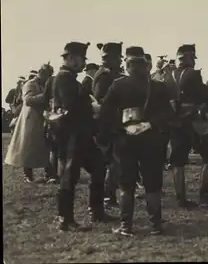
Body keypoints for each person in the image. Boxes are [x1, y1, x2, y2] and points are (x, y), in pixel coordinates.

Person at [97, 46, 177, 236]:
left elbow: (105, 114)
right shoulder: (157, 86)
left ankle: (126, 226)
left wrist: (120, 129)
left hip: (125, 140)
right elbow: (168, 113)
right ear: (145, 64)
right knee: (152, 184)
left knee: (126, 185)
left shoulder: (118, 85)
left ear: (128, 63)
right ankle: (155, 225)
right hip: (152, 140)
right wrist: (149, 124)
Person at [51, 41, 113, 231]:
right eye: (80, 59)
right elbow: (71, 105)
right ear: (70, 58)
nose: (83, 63)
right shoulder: (64, 78)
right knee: (70, 176)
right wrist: (90, 103)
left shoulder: (69, 78)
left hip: (81, 135)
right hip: (72, 135)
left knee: (98, 166)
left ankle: (96, 211)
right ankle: (65, 219)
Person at [166, 44, 208, 208]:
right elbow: (206, 95)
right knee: (207, 158)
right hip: (194, 120)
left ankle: (180, 199)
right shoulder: (193, 75)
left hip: (175, 122)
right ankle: (205, 196)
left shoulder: (168, 76)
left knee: (178, 162)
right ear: (190, 58)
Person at [4, 64, 54, 183]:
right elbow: (28, 100)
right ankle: (28, 176)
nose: (48, 77)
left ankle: (49, 174)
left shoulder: (44, 83)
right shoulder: (30, 84)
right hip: (31, 121)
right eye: (47, 74)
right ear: (41, 73)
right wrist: (45, 96)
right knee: (28, 148)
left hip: (42, 119)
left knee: (47, 147)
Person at [93, 42, 124, 208]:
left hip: (112, 123)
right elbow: (100, 101)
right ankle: (107, 196)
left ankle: (109, 195)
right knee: (113, 162)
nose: (120, 61)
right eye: (118, 58)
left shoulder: (110, 73)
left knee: (115, 162)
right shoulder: (105, 76)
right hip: (107, 125)